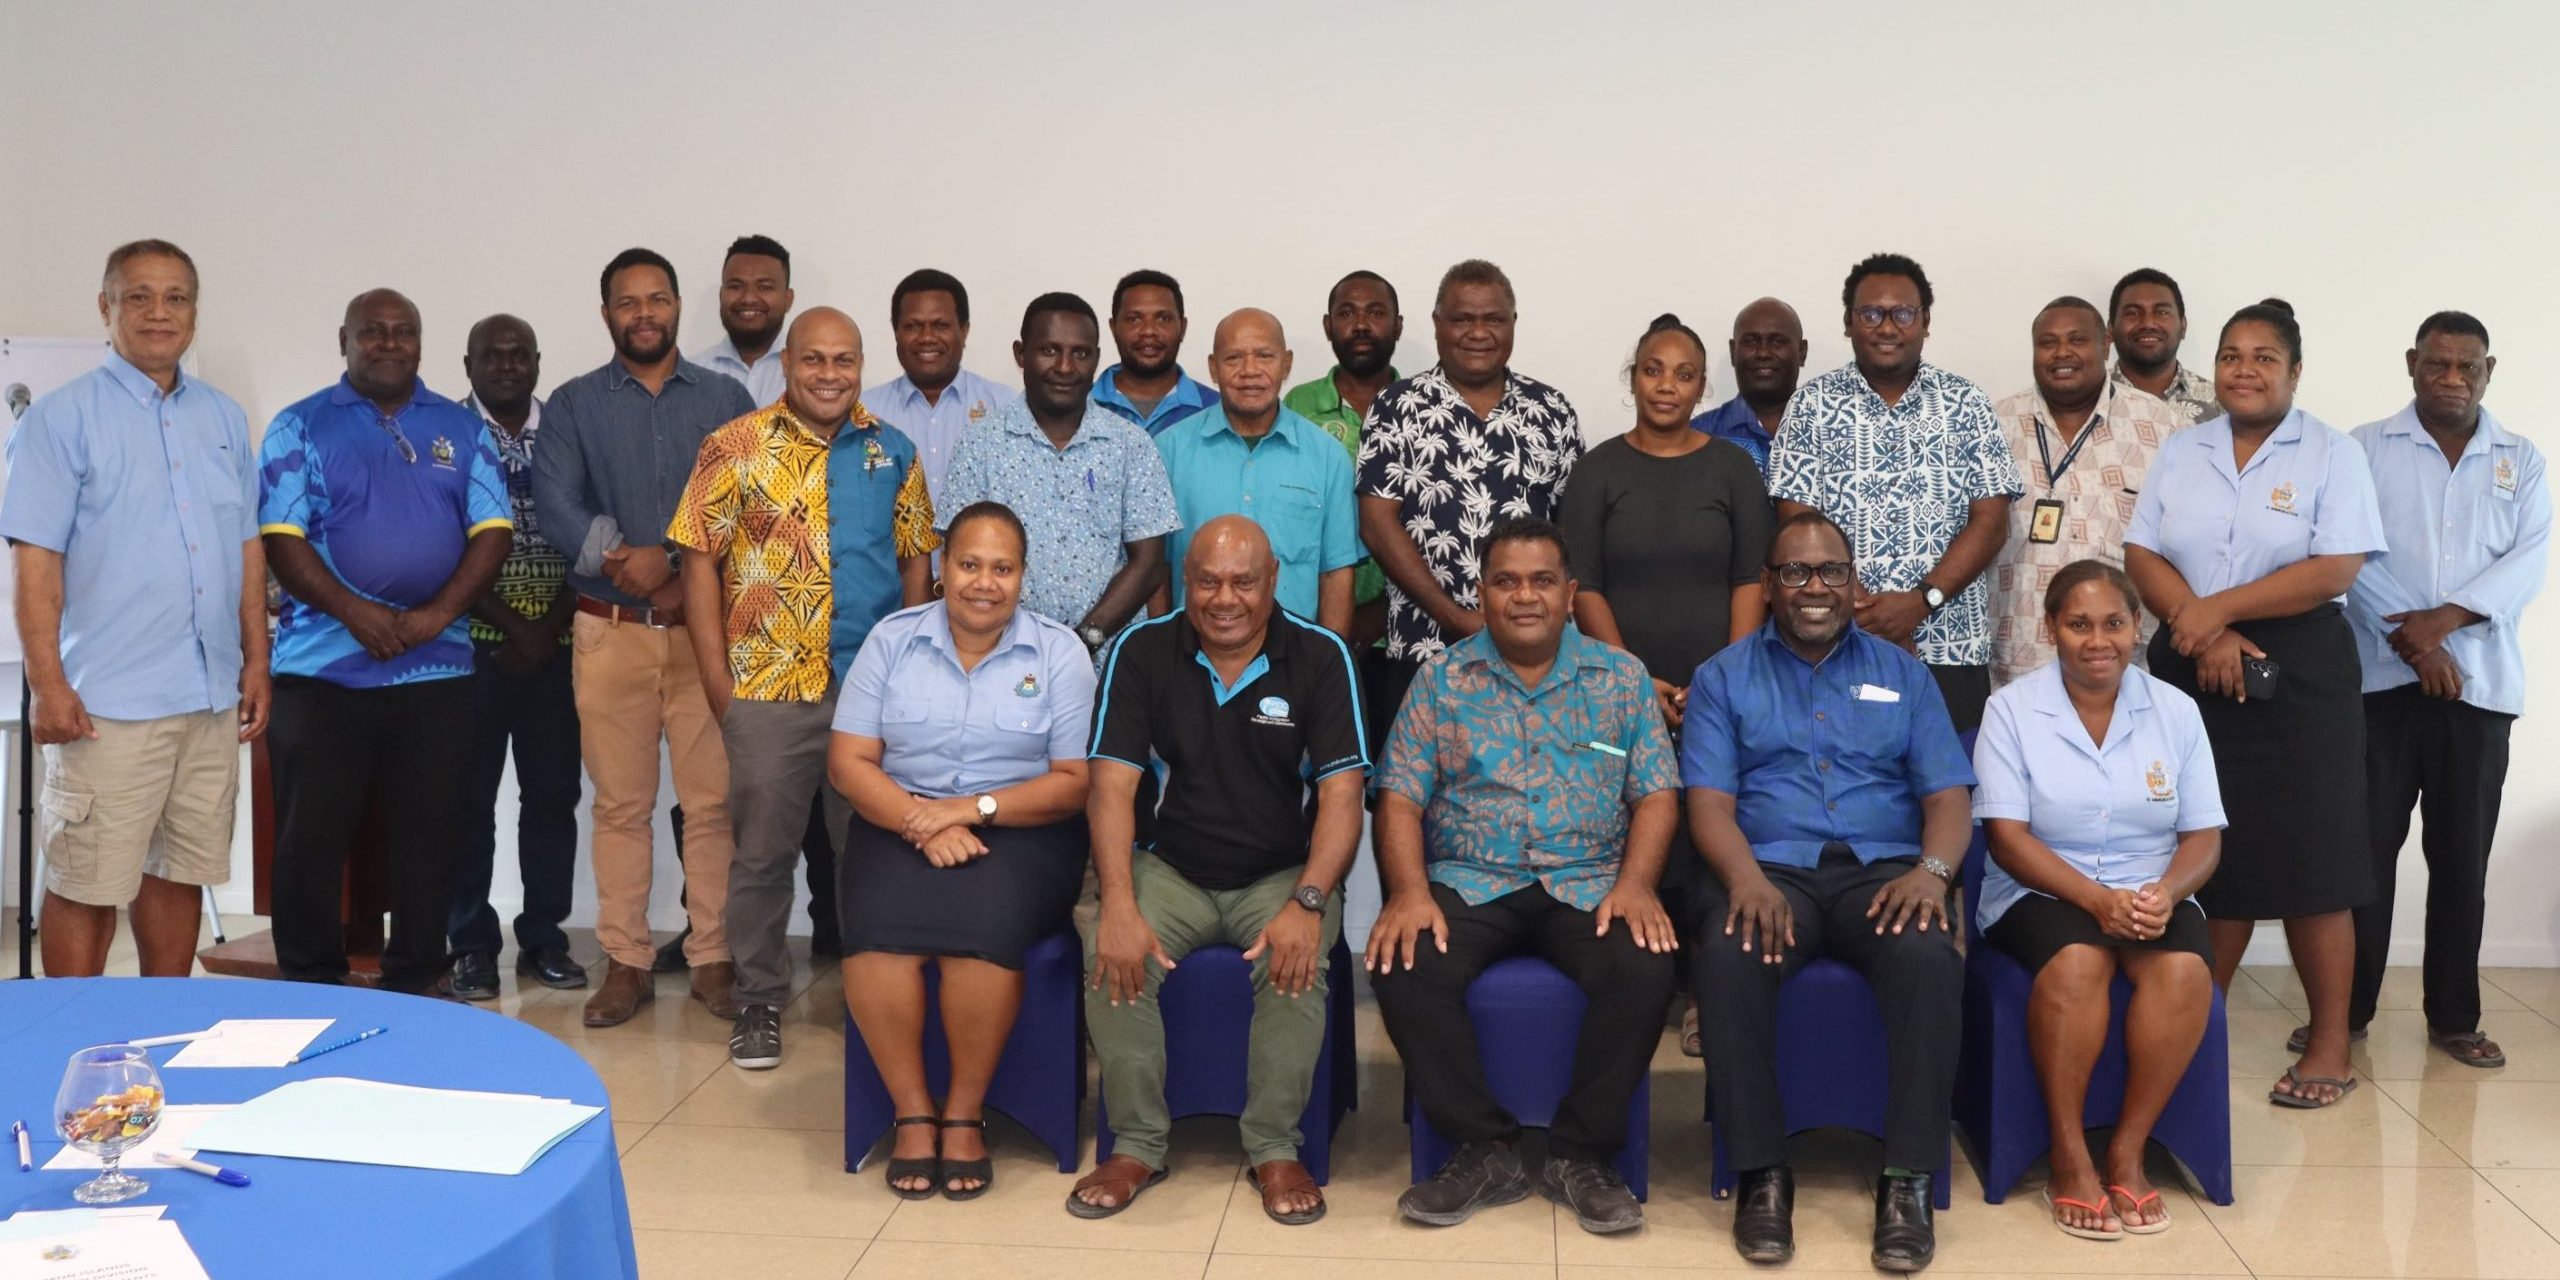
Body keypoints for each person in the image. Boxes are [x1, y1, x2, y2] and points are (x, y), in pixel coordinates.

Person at [1368, 518, 1678, 1237]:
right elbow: (1400, 797)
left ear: (1570, 593)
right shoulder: (1441, 680)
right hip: (1473, 877)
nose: (1525, 596)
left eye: (1542, 581)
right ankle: (1485, 1149)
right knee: (1403, 961)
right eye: (1506, 581)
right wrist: (1409, 893)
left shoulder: (1621, 677)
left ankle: (1581, 1155)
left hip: (1588, 879)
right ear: (1482, 593)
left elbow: (1658, 794)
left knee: (1644, 966)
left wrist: (1636, 884)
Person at [1686, 511, 1973, 1273]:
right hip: (1769, 871)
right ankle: (1761, 1173)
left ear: (1854, 582)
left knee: (1928, 956)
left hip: (1886, 874)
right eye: (1796, 572)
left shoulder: (1903, 673)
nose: (1814, 587)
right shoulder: (1722, 677)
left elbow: (1948, 797)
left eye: (1831, 571)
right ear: (1768, 585)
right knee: (1727, 956)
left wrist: (1932, 874)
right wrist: (1745, 880)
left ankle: (1908, 1178)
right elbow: (1707, 804)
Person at [2124, 299, 2387, 1109]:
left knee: (2315, 860)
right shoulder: (2183, 448)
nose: (2245, 370)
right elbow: (2142, 550)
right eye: (2232, 356)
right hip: (2191, 660)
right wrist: (2199, 625)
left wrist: (2221, 611)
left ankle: (2331, 1042)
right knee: (2207, 849)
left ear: (2295, 371)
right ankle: (2194, 1027)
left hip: (2302, 670)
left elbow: (2336, 567)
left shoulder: (2333, 453)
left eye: (2264, 357)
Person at [1072, 516, 1367, 1225]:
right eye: (1207, 581)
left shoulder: (1321, 654)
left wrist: (1308, 901)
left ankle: (1274, 1147)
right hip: (1169, 868)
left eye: (1243, 582)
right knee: (1112, 951)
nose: (1224, 598)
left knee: (1295, 964)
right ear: (1185, 580)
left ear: (1273, 582)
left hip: (1282, 874)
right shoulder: (1143, 649)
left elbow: (1342, 796)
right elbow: (1110, 787)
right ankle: (1137, 1144)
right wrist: (1118, 902)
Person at [670, 307, 939, 1068]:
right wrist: (719, 683)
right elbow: (699, 563)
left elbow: (915, 560)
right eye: (814, 359)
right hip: (767, 689)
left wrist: (909, 675)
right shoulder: (733, 447)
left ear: (861, 365)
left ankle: (873, 997)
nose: (829, 374)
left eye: (844, 360)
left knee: (872, 854)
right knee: (761, 855)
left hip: (870, 696)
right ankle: (758, 999)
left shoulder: (893, 450)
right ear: (787, 364)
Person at [1, 239, 265, 978]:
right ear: (106, 308)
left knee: (179, 872)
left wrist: (256, 660)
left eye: (176, 298)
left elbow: (246, 548)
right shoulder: (58, 421)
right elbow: (35, 566)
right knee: (86, 882)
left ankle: (161, 1023)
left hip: (207, 697)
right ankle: (75, 1030)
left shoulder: (222, 418)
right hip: (107, 704)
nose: (159, 313)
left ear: (194, 312)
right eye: (139, 297)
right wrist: (47, 684)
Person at [831, 502, 1096, 1200]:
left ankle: (964, 1114)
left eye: (1002, 569)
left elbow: (1073, 783)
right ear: (943, 569)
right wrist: (923, 822)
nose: (985, 582)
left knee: (980, 931)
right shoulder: (892, 641)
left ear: (1023, 576)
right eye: (970, 564)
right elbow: (849, 762)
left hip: (1023, 832)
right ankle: (913, 1113)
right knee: (877, 938)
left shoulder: (1059, 653)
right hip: (899, 819)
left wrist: (971, 810)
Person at [258, 288, 512, 995]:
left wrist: (436, 615)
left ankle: (418, 974)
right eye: (373, 331)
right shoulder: (298, 425)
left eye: (404, 332)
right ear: (344, 340)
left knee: (432, 835)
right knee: (312, 838)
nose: (389, 343)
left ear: (421, 344)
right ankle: (310, 977)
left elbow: (493, 532)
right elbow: (281, 538)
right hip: (322, 672)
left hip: (438, 672)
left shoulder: (462, 429)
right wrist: (356, 614)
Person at [533, 246, 758, 1027]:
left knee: (713, 806)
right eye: (627, 302)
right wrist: (625, 560)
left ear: (676, 307)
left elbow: (748, 502)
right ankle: (626, 962)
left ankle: (713, 956)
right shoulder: (572, 405)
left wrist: (675, 561)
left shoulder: (727, 399)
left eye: (656, 299)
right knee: (620, 807)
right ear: (606, 315)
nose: (644, 314)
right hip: (611, 633)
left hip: (706, 636)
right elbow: (556, 503)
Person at [1973, 560, 2223, 1240]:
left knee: (2183, 972)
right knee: (2080, 963)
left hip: (2149, 887)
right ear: (2050, 628)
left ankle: (2128, 1150)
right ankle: (2069, 1156)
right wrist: (2094, 900)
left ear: (2137, 626)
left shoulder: (2176, 710)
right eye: (2078, 624)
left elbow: (2204, 837)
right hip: (2042, 885)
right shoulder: (2011, 710)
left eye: (2113, 623)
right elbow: (2006, 839)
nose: (2097, 641)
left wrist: (2167, 893)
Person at [1561, 312, 1773, 1054]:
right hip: (1616, 685)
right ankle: (1637, 975)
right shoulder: (1597, 470)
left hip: (1716, 686)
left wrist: (1722, 679)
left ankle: (1705, 989)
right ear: (1633, 378)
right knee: (1629, 816)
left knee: (1712, 818)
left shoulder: (1733, 469)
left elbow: (1749, 578)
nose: (1666, 386)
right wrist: (1631, 680)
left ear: (1702, 386)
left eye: (1684, 375)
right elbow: (1582, 585)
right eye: (1653, 370)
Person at [2345, 311, 2547, 1069]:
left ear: (2490, 371)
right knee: (2365, 855)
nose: (2453, 379)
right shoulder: (2365, 449)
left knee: (2462, 860)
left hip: (2480, 691)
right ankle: (2345, 1013)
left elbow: (2529, 561)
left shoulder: (2521, 459)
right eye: (2438, 364)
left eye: (2468, 366)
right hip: (2379, 685)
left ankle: (2456, 1018)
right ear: (2412, 363)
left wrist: (2443, 623)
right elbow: (2348, 554)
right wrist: (2415, 643)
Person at [1770, 252, 2021, 734]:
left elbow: (1991, 524)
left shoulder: (1966, 403)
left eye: (1903, 313)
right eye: (1871, 313)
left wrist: (1918, 603)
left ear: (1925, 322)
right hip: (1839, 644)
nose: (1887, 327)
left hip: (1951, 649)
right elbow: (1796, 528)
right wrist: (1869, 617)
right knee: (1846, 774)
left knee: (1948, 776)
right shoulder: (1811, 406)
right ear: (1848, 323)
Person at [1358, 259, 1581, 743]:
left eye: (1493, 319)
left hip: (1536, 662)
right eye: (1463, 319)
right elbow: (1376, 525)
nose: (1478, 332)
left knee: (1534, 781)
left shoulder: (1552, 411)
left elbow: (1571, 533)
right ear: (1438, 324)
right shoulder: (1395, 407)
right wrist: (1459, 620)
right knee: (1415, 787)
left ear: (1513, 323)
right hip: (1424, 652)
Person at [447, 314, 585, 999]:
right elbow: (436, 542)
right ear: (468, 364)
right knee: (466, 803)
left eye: (518, 354)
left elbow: (595, 532)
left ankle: (543, 937)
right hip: (469, 651)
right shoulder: (443, 434)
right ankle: (471, 944)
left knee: (553, 798)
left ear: (536, 361)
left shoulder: (568, 430)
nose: (506, 365)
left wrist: (546, 628)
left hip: (559, 648)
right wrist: (509, 627)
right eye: (492, 355)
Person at [937, 292, 1180, 653]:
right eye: (1049, 350)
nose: (1065, 367)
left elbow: (1148, 564)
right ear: (1021, 354)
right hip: (1000, 657)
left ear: (1096, 359)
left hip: (1108, 659)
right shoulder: (978, 445)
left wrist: (1082, 642)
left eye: (1080, 353)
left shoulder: (1131, 444)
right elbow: (961, 558)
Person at [1987, 297, 2186, 687]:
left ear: (2106, 345)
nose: (2062, 352)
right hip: (2018, 655)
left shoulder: (2162, 427)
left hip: (2129, 659)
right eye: (2048, 343)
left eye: (2077, 340)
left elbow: (2187, 541)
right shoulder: (1995, 425)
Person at [1154, 308, 1360, 634]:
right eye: (1234, 358)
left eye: (1265, 356)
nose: (1250, 371)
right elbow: (1156, 570)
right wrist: (1162, 651)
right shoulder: (1169, 451)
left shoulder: (1326, 456)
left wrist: (1331, 657)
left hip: (1297, 654)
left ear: (1286, 364)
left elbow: (1336, 572)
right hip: (1190, 651)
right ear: (1213, 368)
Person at [1282, 269, 1403, 649]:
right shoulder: (1297, 407)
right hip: (1310, 624)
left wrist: (1382, 611)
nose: (1361, 325)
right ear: (1328, 326)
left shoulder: (1422, 407)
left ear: (1397, 326)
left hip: (1403, 629)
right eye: (1347, 313)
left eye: (1376, 313)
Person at [859, 268, 1019, 503]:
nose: (927, 337)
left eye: (941, 325)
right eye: (913, 326)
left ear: (964, 331)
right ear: (896, 332)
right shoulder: (864, 412)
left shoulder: (1005, 406)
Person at [1093, 269, 1220, 437]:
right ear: (1113, 327)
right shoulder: (1080, 406)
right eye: (1133, 319)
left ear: (1183, 328)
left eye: (1163, 319)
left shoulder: (1218, 410)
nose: (1148, 331)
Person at [1691, 297, 1810, 476]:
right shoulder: (1697, 436)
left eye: (1777, 341)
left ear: (1802, 352)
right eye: (1751, 341)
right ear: (1733, 351)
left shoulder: (1831, 435)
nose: (1763, 353)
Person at [2108, 268, 2219, 427]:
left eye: (2162, 312)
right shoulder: (2090, 399)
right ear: (2110, 329)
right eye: (2133, 313)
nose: (2148, 323)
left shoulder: (2218, 403)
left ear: (2183, 326)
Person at [691, 234, 794, 405]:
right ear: (721, 295)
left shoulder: (810, 375)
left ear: (788, 299)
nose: (748, 298)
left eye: (764, 287)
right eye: (736, 286)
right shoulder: (691, 374)